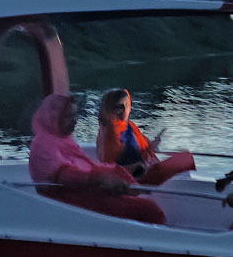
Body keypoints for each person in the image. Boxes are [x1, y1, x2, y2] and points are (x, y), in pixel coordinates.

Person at [29, 93, 165, 224]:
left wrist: (117, 173)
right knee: (148, 209)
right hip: (68, 201)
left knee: (142, 198)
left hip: (85, 192)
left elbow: (87, 166)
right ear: (52, 117)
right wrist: (100, 178)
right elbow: (62, 174)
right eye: (68, 117)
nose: (74, 120)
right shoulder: (43, 143)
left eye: (75, 116)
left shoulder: (63, 140)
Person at [96, 88, 194, 185]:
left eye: (127, 105)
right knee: (185, 160)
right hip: (139, 181)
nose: (126, 109)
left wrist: (153, 145)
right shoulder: (113, 133)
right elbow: (113, 168)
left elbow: (139, 150)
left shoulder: (126, 126)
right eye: (121, 106)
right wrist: (143, 167)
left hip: (146, 170)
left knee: (185, 161)